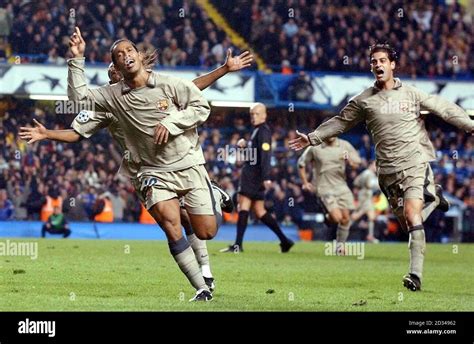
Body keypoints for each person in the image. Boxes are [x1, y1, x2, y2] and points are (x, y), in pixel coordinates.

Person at [25, 26, 251, 302]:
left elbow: (193, 91)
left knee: (205, 229)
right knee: (171, 223)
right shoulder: (108, 103)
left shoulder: (164, 85)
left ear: (136, 60)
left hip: (184, 162)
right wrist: (47, 132)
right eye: (113, 64)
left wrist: (224, 70)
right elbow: (77, 124)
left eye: (124, 58)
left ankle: (211, 197)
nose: (115, 71)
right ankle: (202, 286)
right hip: (146, 170)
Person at [289, 42, 473, 292]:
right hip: (387, 171)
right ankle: (433, 198)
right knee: (408, 222)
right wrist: (312, 137)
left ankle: (415, 275)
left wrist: (468, 124)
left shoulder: (411, 93)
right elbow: (341, 122)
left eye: (382, 60)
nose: (377, 64)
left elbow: (443, 108)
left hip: (414, 162)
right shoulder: (364, 100)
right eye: (373, 61)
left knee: (411, 214)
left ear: (392, 64)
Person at [220, 103, 294, 253]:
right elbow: (257, 154)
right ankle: (285, 241)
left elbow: (266, 155)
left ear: (264, 115)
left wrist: (266, 177)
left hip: (253, 176)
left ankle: (238, 245)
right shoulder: (258, 131)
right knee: (260, 211)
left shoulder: (263, 132)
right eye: (252, 114)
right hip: (255, 175)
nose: (254, 117)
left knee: (243, 206)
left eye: (257, 114)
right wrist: (245, 146)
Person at [297, 137, 361, 254]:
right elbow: (301, 163)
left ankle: (340, 246)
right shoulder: (315, 147)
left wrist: (351, 162)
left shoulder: (344, 145)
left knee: (346, 218)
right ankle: (328, 218)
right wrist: (305, 182)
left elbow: (357, 163)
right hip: (324, 187)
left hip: (341, 186)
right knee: (337, 218)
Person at [351, 161, 380, 243]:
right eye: (375, 165)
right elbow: (369, 185)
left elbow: (356, 181)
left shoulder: (369, 174)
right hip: (365, 196)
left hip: (367, 196)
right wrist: (378, 186)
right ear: (371, 165)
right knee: (357, 215)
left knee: (371, 216)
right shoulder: (367, 174)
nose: (376, 167)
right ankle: (343, 231)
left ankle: (370, 236)